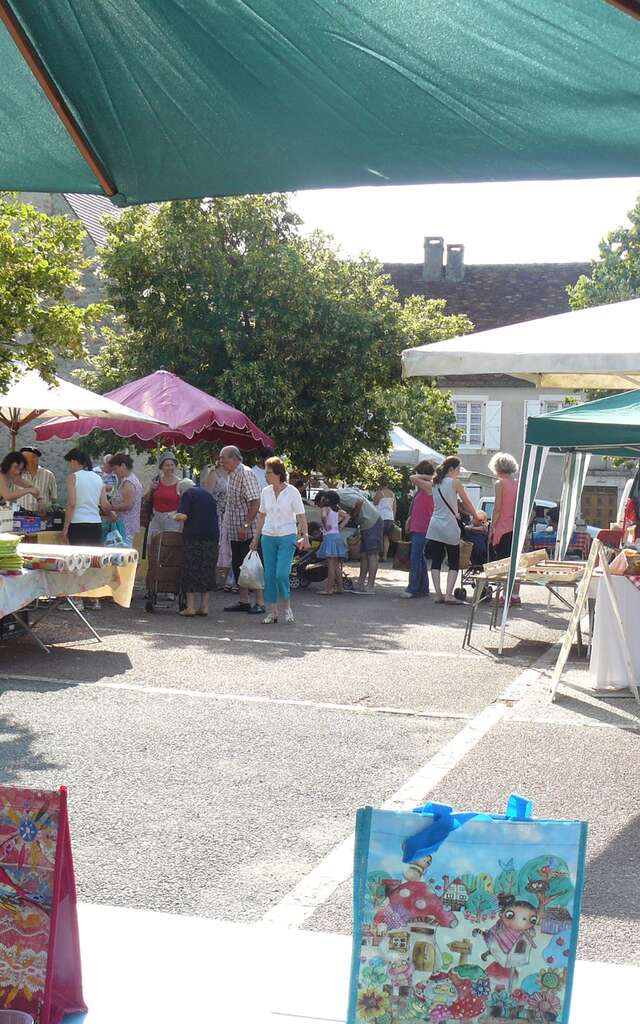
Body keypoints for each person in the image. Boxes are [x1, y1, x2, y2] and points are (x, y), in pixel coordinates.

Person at [250, 456, 309, 623]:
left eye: (268, 472)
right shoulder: (265, 492)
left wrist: (305, 536)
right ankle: (273, 612)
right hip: (268, 536)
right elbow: (261, 516)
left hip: (287, 536)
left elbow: (301, 516)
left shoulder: (292, 492)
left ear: (278, 473)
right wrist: (256, 538)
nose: (266, 475)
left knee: (281, 574)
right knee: (269, 575)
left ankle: (287, 607)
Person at [423, 456, 480, 604]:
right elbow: (466, 502)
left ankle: (438, 594)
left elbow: (414, 477)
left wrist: (430, 475)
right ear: (451, 469)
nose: (459, 471)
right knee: (453, 560)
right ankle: (449, 594)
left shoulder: (435, 482)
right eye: (458, 469)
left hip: (435, 525)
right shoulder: (455, 482)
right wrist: (475, 516)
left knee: (436, 561)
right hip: (449, 526)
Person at [63, 448, 112, 610]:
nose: (69, 466)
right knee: (92, 561)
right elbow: (104, 504)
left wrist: (65, 527)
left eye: (69, 462)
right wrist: (111, 514)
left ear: (74, 461)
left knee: (77, 561)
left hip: (78, 523)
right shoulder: (98, 479)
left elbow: (71, 503)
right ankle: (93, 599)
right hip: (95, 523)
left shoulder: (72, 478)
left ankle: (77, 599)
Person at [219, 445, 264, 614]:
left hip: (247, 531)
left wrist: (246, 524)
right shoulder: (231, 475)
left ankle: (260, 602)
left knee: (253, 566)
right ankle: (244, 601)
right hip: (234, 531)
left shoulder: (246, 474)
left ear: (234, 458)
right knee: (239, 565)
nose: (221, 461)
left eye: (223, 458)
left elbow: (255, 502)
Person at [315, 487, 383, 593]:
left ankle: (370, 585)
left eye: (319, 504)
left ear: (323, 499)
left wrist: (353, 516)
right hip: (365, 522)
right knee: (364, 555)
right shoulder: (335, 503)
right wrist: (342, 524)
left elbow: (359, 501)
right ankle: (360, 584)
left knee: (372, 554)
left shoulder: (340, 497)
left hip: (371, 520)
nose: (320, 506)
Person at [174, 478, 219, 617]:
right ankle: (204, 607)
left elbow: (182, 516)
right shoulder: (207, 495)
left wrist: (173, 516)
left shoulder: (188, 494)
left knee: (190, 569)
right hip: (212, 537)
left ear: (181, 490)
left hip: (194, 537)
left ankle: (190, 607)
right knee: (206, 569)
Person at [488, 451, 521, 605]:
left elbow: (498, 508)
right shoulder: (518, 483)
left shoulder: (500, 483)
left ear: (498, 467)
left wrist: (491, 527)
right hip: (515, 527)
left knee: (503, 562)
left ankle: (504, 596)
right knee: (514, 562)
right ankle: (515, 595)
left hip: (503, 527)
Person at [402, 460, 435, 599]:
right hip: (419, 527)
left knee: (415, 558)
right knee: (420, 558)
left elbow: (412, 477)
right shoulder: (424, 489)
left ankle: (413, 588)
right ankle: (423, 587)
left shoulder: (429, 486)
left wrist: (428, 476)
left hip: (423, 527)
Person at [316, 490, 349, 595]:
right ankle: (340, 587)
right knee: (336, 565)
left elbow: (323, 516)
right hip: (337, 536)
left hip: (329, 536)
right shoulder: (337, 510)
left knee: (330, 564)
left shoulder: (325, 508)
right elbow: (347, 516)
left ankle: (328, 589)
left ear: (327, 499)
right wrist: (341, 526)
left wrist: (325, 526)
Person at [109, 452, 143, 546]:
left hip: (125, 525)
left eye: (115, 468)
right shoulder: (131, 480)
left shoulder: (129, 483)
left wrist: (111, 507)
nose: (114, 472)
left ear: (123, 466)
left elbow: (128, 504)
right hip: (126, 524)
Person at [146, 452, 182, 542]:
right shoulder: (156, 481)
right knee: (153, 544)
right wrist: (150, 489)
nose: (170, 468)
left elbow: (183, 504)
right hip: (156, 518)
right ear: (161, 467)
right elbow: (146, 499)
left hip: (172, 519)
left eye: (172, 465)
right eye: (166, 465)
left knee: (169, 546)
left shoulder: (180, 483)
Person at [19, 446, 57, 513]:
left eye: (25, 459)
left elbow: (54, 497)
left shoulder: (48, 475)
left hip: (43, 515)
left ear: (35, 459)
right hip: (22, 514)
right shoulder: (17, 474)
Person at [373, 480, 397, 561]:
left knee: (379, 536)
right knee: (386, 537)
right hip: (390, 517)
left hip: (381, 516)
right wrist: (393, 517)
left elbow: (374, 503)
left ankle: (378, 555)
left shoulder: (379, 493)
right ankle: (385, 556)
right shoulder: (392, 494)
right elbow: (394, 507)